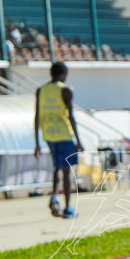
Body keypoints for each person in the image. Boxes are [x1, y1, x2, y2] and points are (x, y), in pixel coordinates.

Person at [34, 61, 83, 218]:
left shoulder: (41, 90)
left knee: (56, 167)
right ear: (63, 74)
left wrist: (37, 142)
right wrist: (78, 140)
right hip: (63, 134)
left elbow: (37, 116)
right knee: (66, 171)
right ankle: (68, 207)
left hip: (48, 134)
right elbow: (71, 116)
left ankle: (54, 197)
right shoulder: (65, 90)